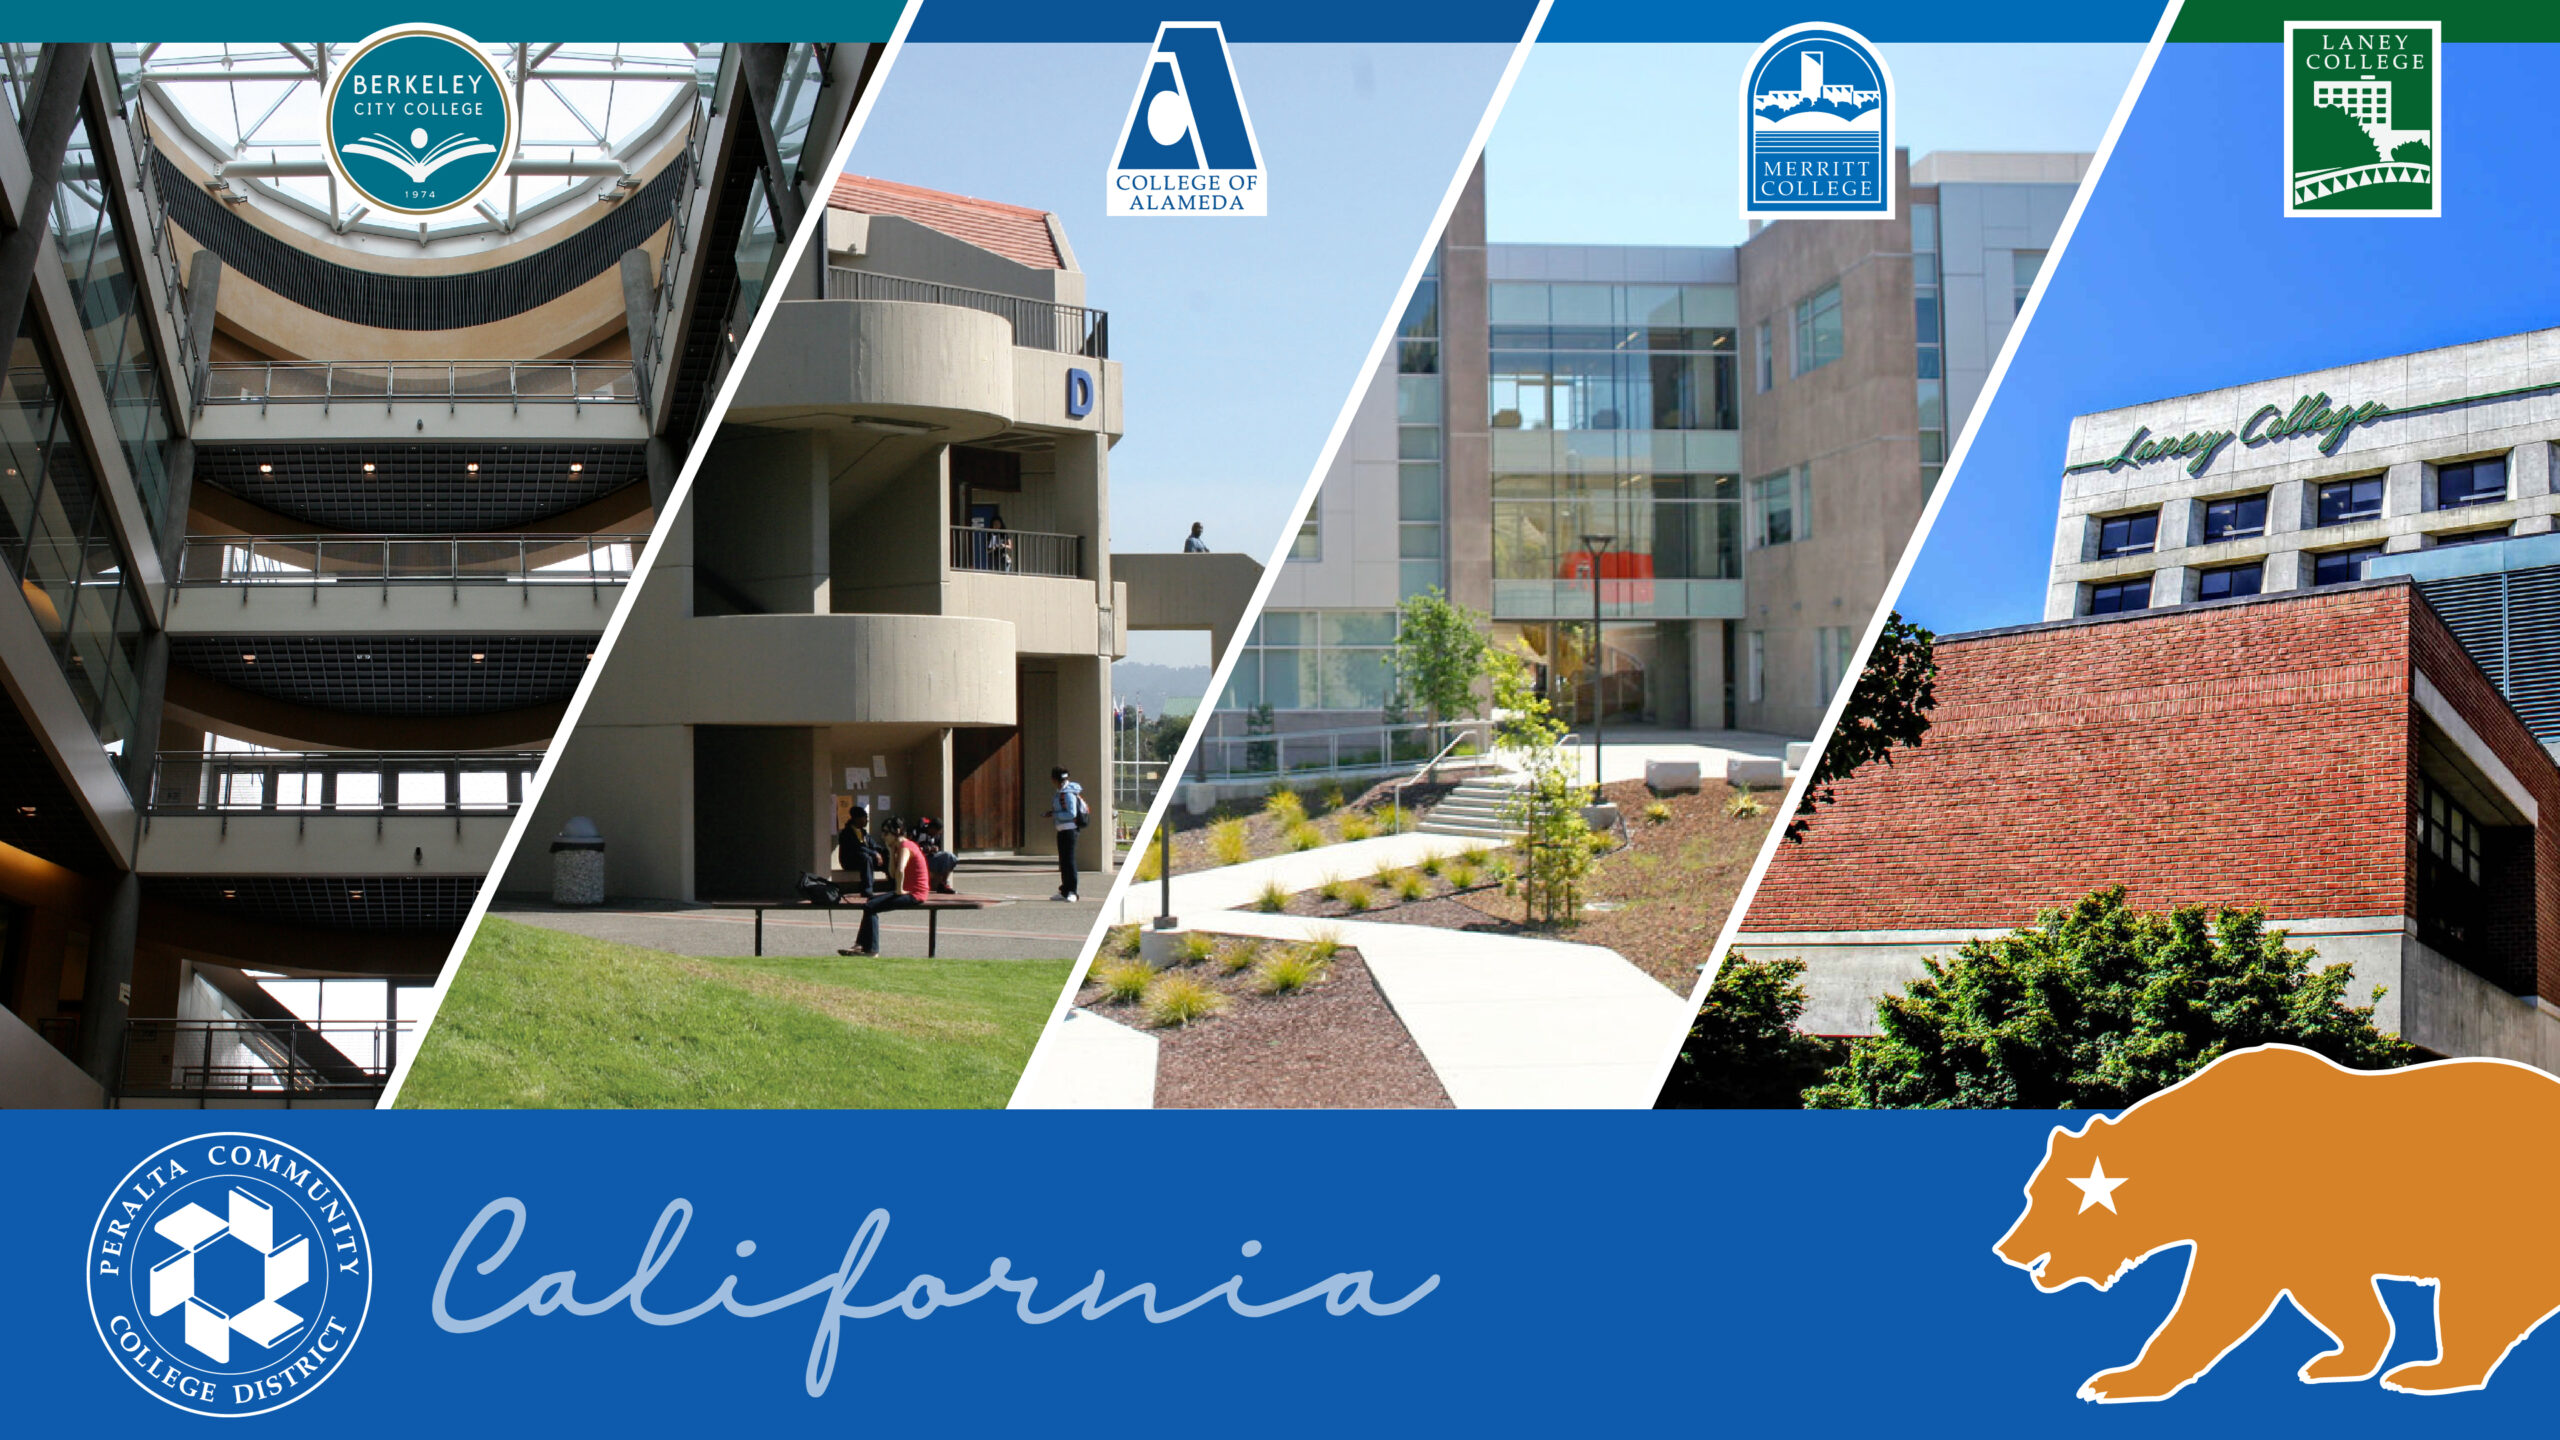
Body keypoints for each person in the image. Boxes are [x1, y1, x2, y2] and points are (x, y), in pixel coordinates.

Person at [840, 817, 929, 956]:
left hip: (915, 894)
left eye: (886, 833)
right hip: (908, 891)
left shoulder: (906, 846)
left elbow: (900, 870)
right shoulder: (898, 847)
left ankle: (872, 950)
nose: (883, 836)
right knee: (870, 903)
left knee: (871, 906)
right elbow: (893, 874)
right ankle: (860, 945)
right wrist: (890, 852)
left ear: (897, 831)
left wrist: (899, 890)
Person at [1048, 766, 1087, 901]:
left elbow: (1071, 813)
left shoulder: (1068, 793)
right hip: (1062, 829)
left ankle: (1072, 891)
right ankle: (1065, 890)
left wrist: (1054, 814)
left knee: (1069, 861)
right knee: (1064, 861)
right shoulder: (1061, 791)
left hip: (1069, 829)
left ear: (1055, 779)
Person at [837, 805, 879, 895]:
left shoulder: (863, 832)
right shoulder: (847, 832)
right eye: (865, 818)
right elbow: (858, 847)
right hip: (849, 861)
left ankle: (893, 884)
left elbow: (874, 845)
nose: (867, 820)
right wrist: (875, 854)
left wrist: (884, 852)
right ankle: (867, 889)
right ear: (857, 819)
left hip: (863, 859)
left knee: (884, 857)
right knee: (866, 858)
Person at [914, 815, 959, 894]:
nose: (937, 834)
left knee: (950, 857)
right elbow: (911, 846)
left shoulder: (936, 836)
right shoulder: (918, 832)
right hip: (918, 859)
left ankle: (943, 884)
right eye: (937, 831)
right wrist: (924, 849)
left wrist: (935, 849)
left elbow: (937, 848)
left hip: (931, 858)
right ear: (932, 828)